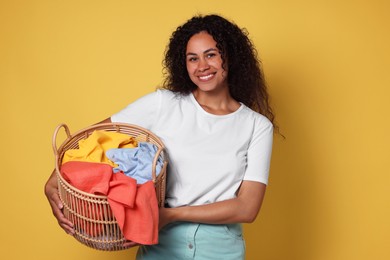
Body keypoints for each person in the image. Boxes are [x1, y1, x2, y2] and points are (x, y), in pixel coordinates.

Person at [45, 14, 276, 259]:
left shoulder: (256, 126)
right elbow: (92, 138)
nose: (202, 66)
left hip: (220, 251)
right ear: (183, 64)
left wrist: (172, 215)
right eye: (192, 58)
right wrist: (54, 179)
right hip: (160, 248)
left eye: (211, 55)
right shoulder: (164, 104)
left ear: (229, 56)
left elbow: (247, 208)